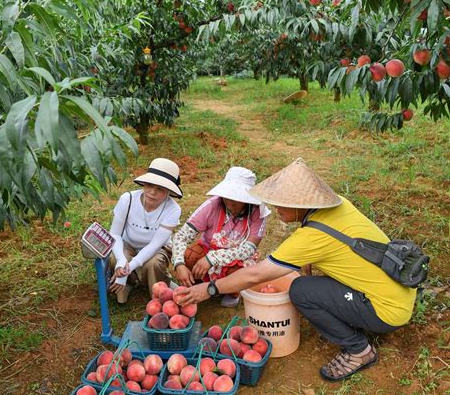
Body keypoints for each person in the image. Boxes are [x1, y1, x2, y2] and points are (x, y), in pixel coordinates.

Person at [177, 158, 417, 382]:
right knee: (312, 282)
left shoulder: (311, 237)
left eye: (281, 203)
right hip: (398, 289)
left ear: (300, 204)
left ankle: (359, 350)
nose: (275, 208)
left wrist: (209, 289)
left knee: (301, 290)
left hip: (388, 311)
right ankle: (358, 313)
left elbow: (255, 274)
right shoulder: (339, 205)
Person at [171, 167, 270, 307]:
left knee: (240, 272)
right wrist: (179, 264)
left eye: (236, 198)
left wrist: (213, 258)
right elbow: (181, 236)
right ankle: (201, 283)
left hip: (236, 258)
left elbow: (249, 249)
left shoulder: (257, 213)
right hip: (208, 249)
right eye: (227, 196)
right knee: (189, 256)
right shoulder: (212, 206)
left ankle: (231, 292)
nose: (230, 202)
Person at [109, 158, 182, 303]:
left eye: (160, 189)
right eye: (149, 185)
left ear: (168, 191)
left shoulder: (173, 209)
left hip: (157, 249)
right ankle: (130, 283)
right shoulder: (127, 199)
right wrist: (121, 260)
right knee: (115, 257)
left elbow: (155, 245)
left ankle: (159, 291)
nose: (152, 192)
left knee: (153, 263)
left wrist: (131, 266)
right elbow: (115, 234)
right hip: (128, 244)